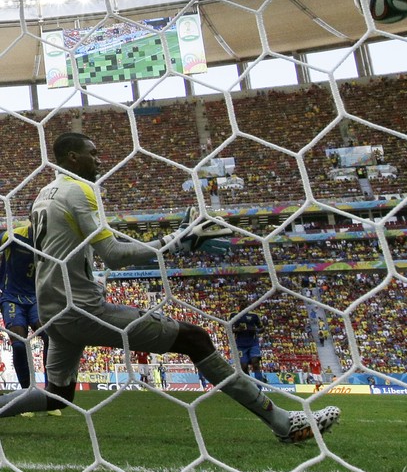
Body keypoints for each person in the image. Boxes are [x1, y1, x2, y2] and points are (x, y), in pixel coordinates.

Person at [0, 132, 340, 444]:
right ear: (72, 158)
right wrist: (175, 241)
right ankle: (284, 423)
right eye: (93, 153)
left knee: (57, 393)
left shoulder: (44, 193)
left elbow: (91, 247)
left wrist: (170, 240)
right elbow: (114, 256)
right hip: (83, 310)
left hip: (54, 311)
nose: (100, 160)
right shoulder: (81, 190)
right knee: (195, 338)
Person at [0, 222, 61, 418]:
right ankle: (26, 398)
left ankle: (49, 395)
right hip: (11, 297)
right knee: (19, 345)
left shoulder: (51, 240)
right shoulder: (14, 236)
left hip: (36, 298)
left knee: (50, 338)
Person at [229, 300, 266, 385]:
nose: (243, 305)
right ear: (239, 306)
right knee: (244, 366)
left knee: (255, 363)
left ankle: (259, 386)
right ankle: (249, 385)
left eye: (245, 304)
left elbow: (262, 329)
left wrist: (256, 330)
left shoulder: (254, 316)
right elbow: (228, 329)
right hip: (240, 345)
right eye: (242, 304)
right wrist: (237, 329)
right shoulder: (234, 316)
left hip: (253, 343)